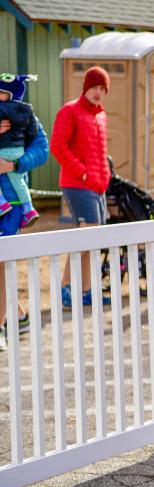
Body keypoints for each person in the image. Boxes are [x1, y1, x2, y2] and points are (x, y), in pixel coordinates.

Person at [51, 66, 112, 309]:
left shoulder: (101, 115)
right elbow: (58, 146)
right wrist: (83, 173)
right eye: (95, 87)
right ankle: (66, 288)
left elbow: (101, 153)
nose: (99, 92)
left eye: (103, 88)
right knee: (85, 235)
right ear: (86, 87)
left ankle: (86, 290)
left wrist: (104, 177)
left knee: (92, 238)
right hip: (77, 184)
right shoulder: (70, 111)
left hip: (98, 186)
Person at [0, 114, 49, 350]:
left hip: (13, 205)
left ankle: (2, 327)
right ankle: (18, 316)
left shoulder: (22, 113)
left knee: (1, 264)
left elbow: (42, 149)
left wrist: (15, 164)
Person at [0, 73, 40, 228]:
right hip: (18, 151)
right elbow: (33, 133)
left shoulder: (2, 108)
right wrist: (22, 144)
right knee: (19, 181)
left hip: (3, 150)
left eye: (1, 92)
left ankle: (2, 203)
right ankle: (29, 209)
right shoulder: (27, 111)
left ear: (11, 94)